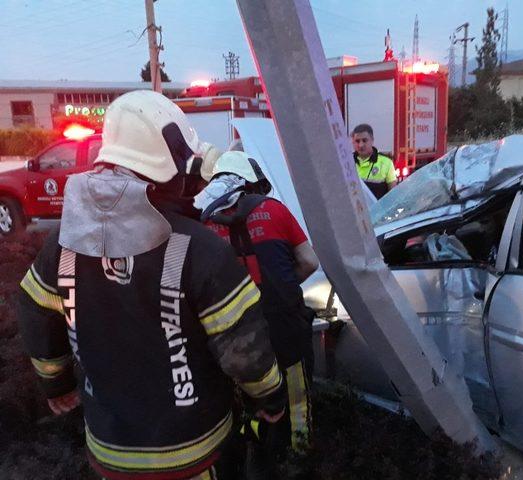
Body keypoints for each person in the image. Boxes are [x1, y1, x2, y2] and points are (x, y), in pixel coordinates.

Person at [18, 90, 286, 480]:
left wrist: (56, 384)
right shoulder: (200, 250)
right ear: (172, 168)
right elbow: (245, 351)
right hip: (195, 452)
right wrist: (270, 398)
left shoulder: (64, 242)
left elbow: (35, 311)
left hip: (109, 452)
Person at [193, 150, 319, 477]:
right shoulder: (276, 211)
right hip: (284, 322)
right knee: (298, 398)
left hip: (238, 331)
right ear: (252, 182)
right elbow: (309, 261)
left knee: (251, 394)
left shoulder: (207, 223)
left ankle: (257, 455)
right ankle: (299, 458)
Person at [351, 123, 397, 199]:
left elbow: (393, 196)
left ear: (372, 140)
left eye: (364, 140)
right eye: (357, 141)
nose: (361, 145)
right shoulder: (347, 162)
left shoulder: (386, 163)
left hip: (378, 210)